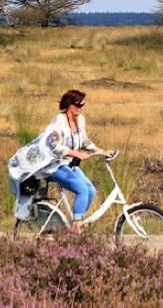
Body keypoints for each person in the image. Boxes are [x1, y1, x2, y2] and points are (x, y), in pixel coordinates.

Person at [8, 89, 111, 233]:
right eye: (78, 105)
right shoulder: (59, 121)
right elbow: (53, 146)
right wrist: (76, 153)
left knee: (90, 190)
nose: (81, 108)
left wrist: (101, 151)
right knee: (81, 189)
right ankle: (76, 227)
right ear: (69, 105)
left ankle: (77, 220)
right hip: (52, 165)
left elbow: (84, 141)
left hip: (68, 164)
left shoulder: (80, 120)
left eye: (83, 105)